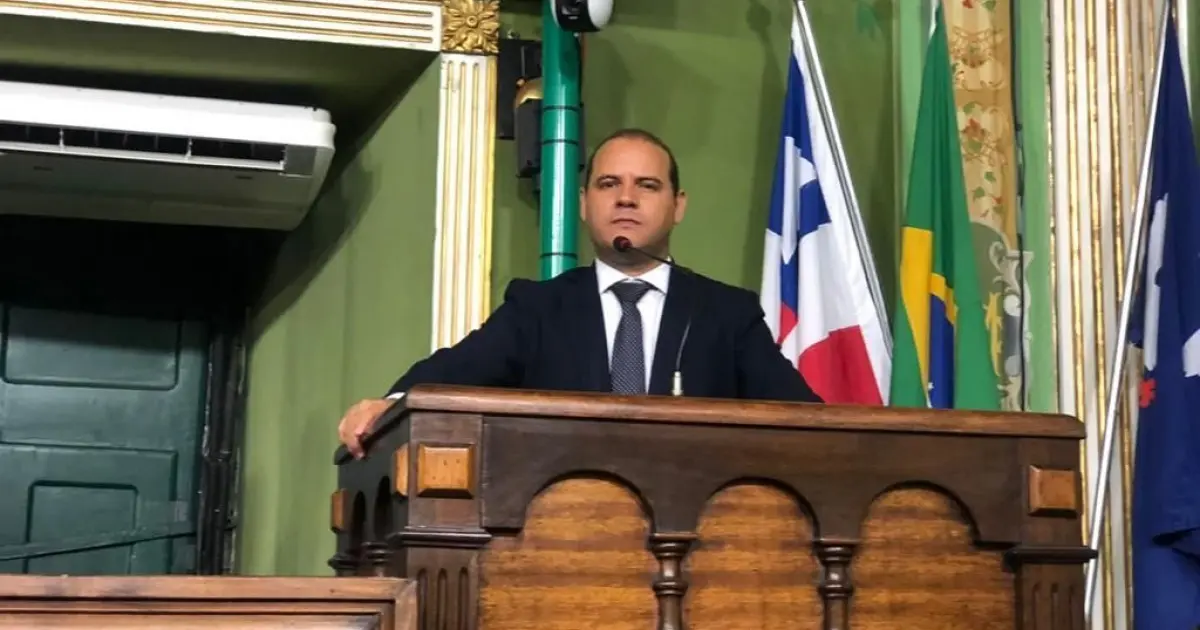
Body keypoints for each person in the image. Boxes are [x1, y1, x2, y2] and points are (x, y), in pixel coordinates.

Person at [337, 128, 822, 456]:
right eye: (609, 184)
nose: (626, 197)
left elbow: (807, 421)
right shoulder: (538, 308)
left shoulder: (725, 313)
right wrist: (389, 403)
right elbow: (453, 373)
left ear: (678, 206)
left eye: (647, 185)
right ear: (585, 204)